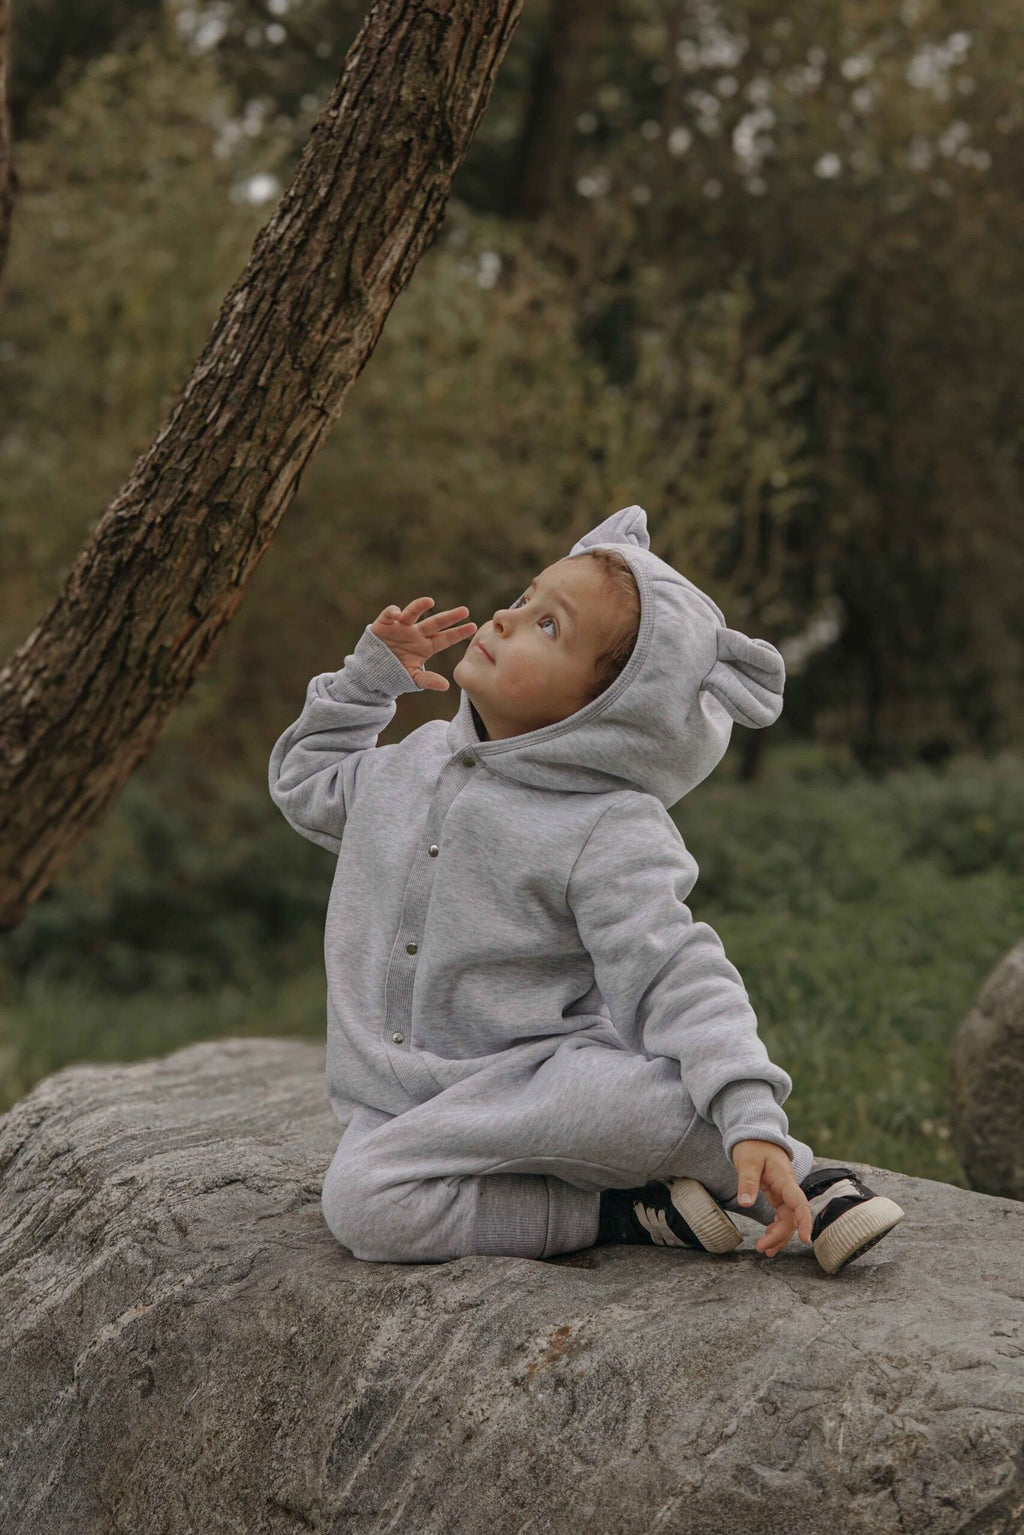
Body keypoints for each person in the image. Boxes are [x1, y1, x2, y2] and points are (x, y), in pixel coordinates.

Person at [268, 505, 905, 1274]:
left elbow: (678, 970)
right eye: (526, 597)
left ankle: (800, 1180)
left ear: (607, 715)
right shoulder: (409, 763)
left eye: (549, 628)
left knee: (626, 1102)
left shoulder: (606, 825)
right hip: (409, 1108)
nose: (505, 617)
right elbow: (305, 783)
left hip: (541, 1081)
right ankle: (621, 1212)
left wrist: (749, 1110)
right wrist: (367, 681)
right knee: (363, 1205)